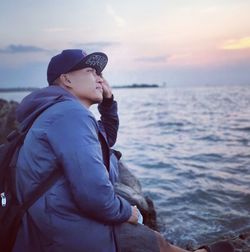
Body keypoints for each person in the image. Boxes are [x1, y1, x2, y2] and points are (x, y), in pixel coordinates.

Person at [12, 49, 234, 252]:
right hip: (64, 233)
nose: (100, 78)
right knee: (140, 237)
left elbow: (104, 140)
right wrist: (129, 212)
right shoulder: (69, 115)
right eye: (91, 71)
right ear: (66, 78)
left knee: (147, 238)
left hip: (53, 221)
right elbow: (94, 195)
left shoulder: (56, 112)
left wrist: (107, 103)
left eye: (100, 73)